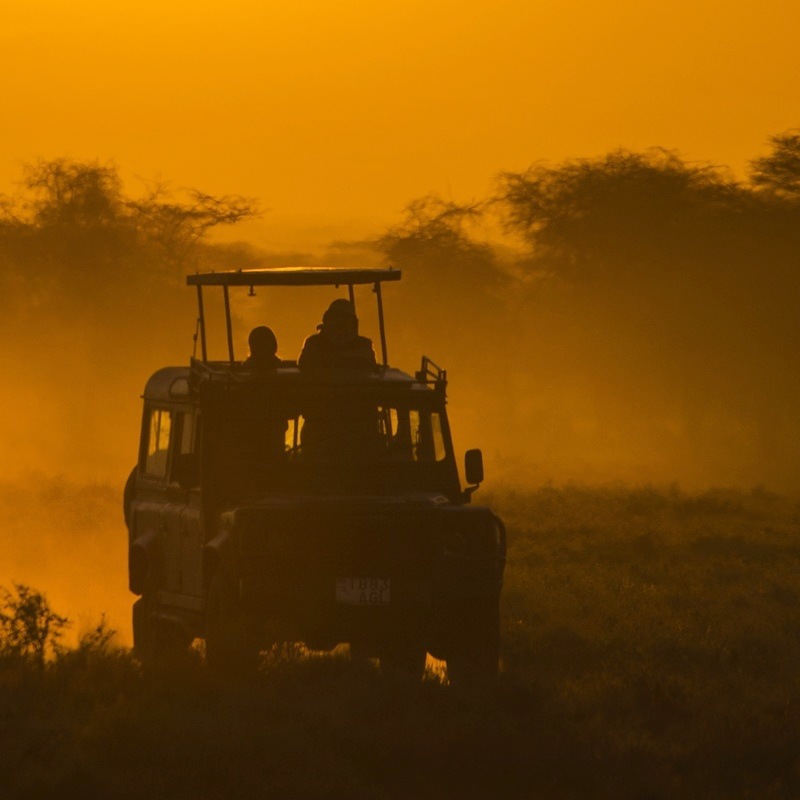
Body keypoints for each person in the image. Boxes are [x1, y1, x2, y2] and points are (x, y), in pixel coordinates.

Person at [298, 299, 376, 370]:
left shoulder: (363, 345)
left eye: (345, 319)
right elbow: (305, 366)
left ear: (353, 323)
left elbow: (369, 368)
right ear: (327, 320)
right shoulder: (314, 343)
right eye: (335, 317)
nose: (340, 322)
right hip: (320, 384)